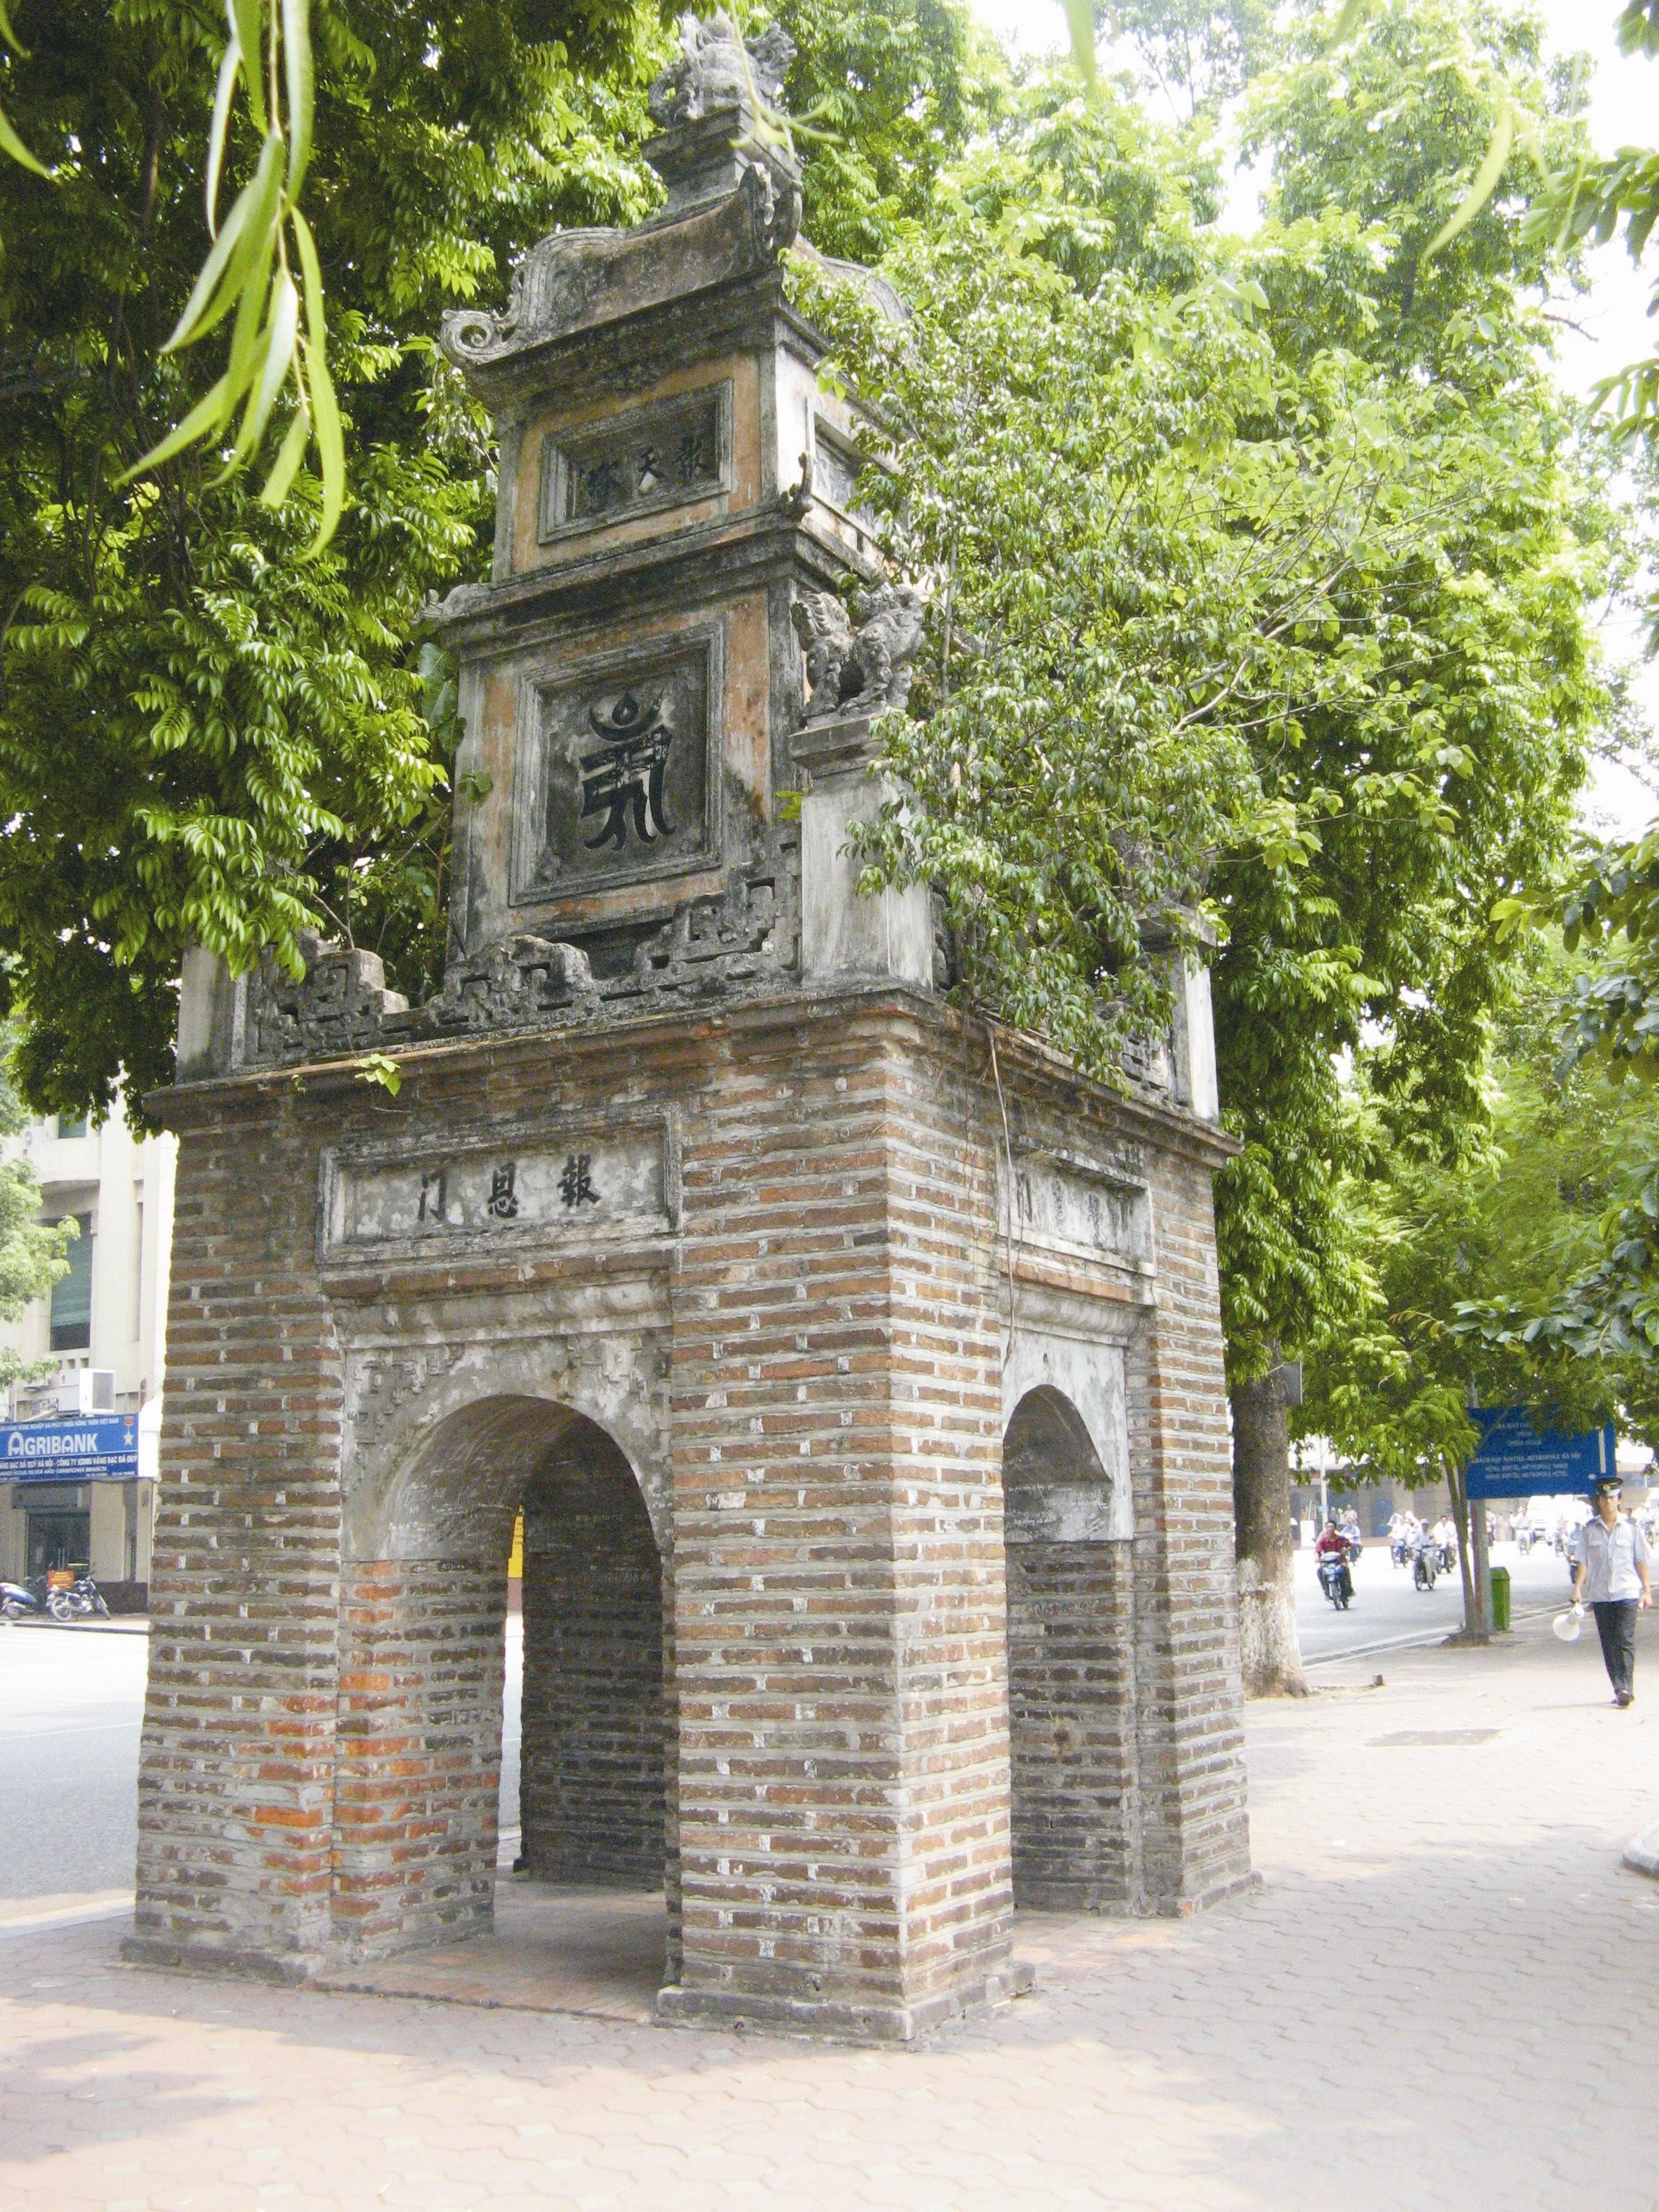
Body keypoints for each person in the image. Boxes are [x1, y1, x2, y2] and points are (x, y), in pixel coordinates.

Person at [1570, 1477, 1653, 1707]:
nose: (1607, 1503)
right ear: (1598, 1501)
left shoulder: (1632, 1529)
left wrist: (1646, 1590)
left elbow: (1641, 1561)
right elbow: (1583, 1562)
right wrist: (1578, 1587)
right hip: (1601, 1595)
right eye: (1603, 1499)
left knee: (1624, 1639)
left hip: (1626, 1592)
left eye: (1611, 1499)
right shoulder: (1589, 1530)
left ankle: (1626, 1687)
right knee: (1609, 1643)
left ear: (1619, 1500)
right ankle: (1619, 1687)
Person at [1315, 1517, 1355, 1603]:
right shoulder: (1323, 1540)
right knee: (1320, 1571)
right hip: (1327, 1561)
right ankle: (1326, 1590)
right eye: (1328, 1527)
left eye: (1332, 1527)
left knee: (1345, 1568)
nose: (1330, 1529)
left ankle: (1349, 1588)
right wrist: (1317, 1557)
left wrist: (1346, 1550)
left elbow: (1350, 1545)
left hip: (1339, 1559)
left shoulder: (1340, 1539)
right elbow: (1317, 1550)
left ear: (1335, 1528)